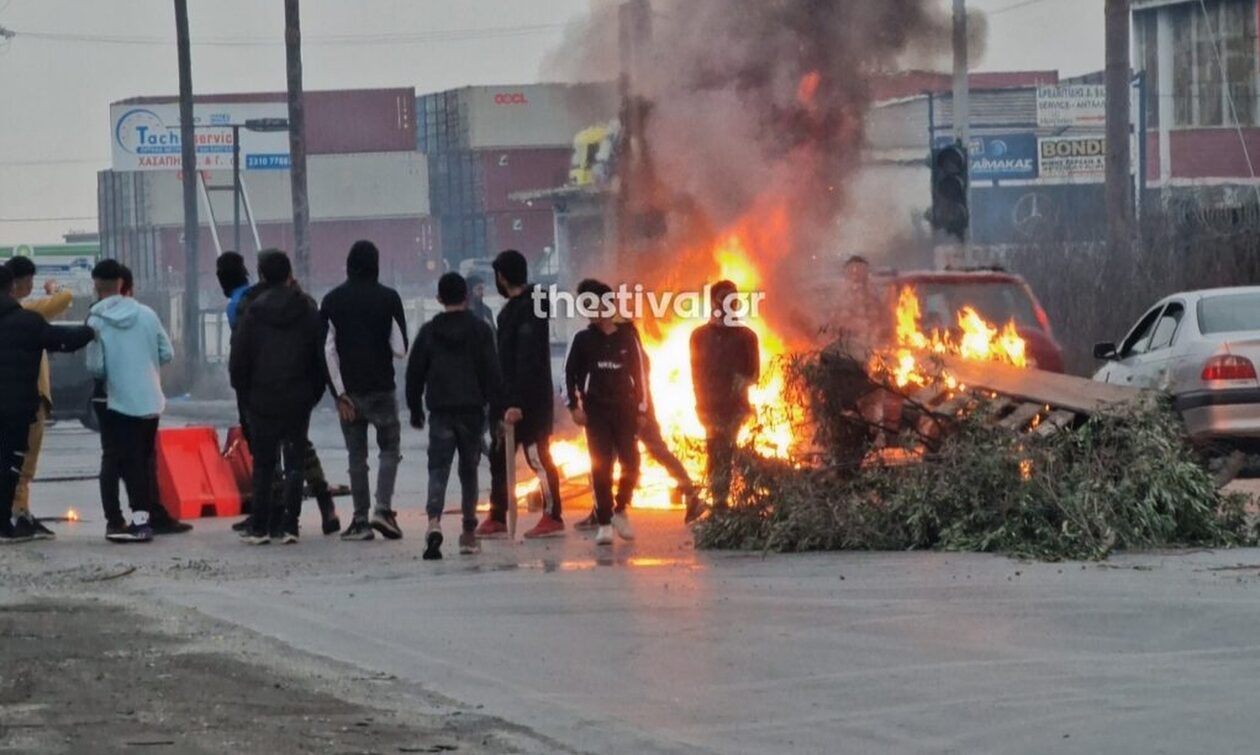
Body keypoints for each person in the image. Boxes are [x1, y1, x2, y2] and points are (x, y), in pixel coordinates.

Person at [217, 252, 341, 536]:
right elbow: (319, 353)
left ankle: (265, 520)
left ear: (260, 274)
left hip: (260, 396)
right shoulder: (306, 305)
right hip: (298, 396)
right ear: (289, 274)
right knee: (298, 455)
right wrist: (314, 392)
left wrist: (244, 392)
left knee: (264, 459)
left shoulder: (248, 306)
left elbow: (240, 355)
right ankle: (302, 516)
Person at [406, 272, 501, 559]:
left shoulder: (429, 331)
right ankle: (468, 532)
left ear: (438, 299)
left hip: (440, 411)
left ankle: (434, 522)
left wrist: (415, 408)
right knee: (468, 470)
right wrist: (495, 411)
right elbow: (492, 374)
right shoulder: (481, 330)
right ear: (468, 296)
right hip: (472, 412)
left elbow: (414, 373)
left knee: (438, 468)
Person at [575, 320, 701, 531]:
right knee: (656, 452)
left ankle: (602, 511)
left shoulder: (628, 351)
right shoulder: (637, 352)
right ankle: (690, 492)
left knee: (604, 461)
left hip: (627, 412)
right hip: (639, 411)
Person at [0, 265, 95, 543]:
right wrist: (90, 332)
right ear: (11, 288)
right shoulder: (27, 321)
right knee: (11, 464)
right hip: (17, 409)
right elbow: (62, 341)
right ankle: (4, 525)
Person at [320, 240, 408, 542]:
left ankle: (359, 520)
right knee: (389, 450)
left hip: (350, 395)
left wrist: (339, 394)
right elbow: (400, 348)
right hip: (382, 389)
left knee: (356, 458)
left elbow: (328, 352)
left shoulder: (331, 301)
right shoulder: (389, 298)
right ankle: (383, 509)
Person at [86, 260, 176, 543]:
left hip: (114, 400)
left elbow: (96, 367)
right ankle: (142, 522)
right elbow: (167, 352)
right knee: (143, 459)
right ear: (122, 284)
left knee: (112, 458)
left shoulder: (95, 320)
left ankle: (114, 521)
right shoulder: (147, 314)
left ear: (97, 285)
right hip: (149, 399)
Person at [482, 249, 565, 540]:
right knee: (498, 456)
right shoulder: (512, 310)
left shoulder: (531, 307)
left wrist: (517, 402)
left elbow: (526, 358)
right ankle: (497, 515)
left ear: (501, 277)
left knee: (536, 456)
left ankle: (553, 515)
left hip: (530, 401)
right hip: (506, 399)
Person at [565, 279, 647, 546]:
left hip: (625, 410)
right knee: (601, 467)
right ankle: (603, 523)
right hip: (596, 412)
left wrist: (642, 408)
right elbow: (570, 375)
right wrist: (574, 407)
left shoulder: (628, 338)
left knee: (631, 462)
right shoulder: (583, 340)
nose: (590, 310)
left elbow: (641, 376)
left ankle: (620, 509)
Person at [5, 255, 73, 540]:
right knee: (24, 461)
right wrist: (53, 287)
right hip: (29, 396)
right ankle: (19, 513)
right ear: (20, 283)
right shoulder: (26, 309)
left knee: (14, 459)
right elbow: (64, 298)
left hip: (15, 397)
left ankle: (19, 511)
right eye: (30, 280)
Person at [690, 280, 760, 510]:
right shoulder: (699, 336)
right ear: (713, 302)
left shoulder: (747, 336)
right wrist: (700, 406)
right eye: (724, 298)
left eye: (734, 298)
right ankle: (719, 501)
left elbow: (754, 373)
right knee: (715, 451)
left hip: (736, 406)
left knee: (729, 450)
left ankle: (734, 497)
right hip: (709, 405)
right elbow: (696, 374)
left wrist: (742, 384)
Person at [828, 255, 888, 350]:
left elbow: (879, 322)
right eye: (852, 270)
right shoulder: (840, 296)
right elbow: (833, 321)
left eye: (859, 270)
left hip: (868, 344)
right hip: (845, 344)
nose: (855, 273)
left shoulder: (872, 295)